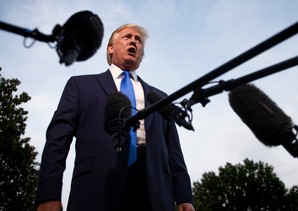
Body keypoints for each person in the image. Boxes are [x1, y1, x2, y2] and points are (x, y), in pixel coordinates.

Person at [35, 24, 195, 211]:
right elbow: (57, 140)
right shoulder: (80, 86)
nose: (134, 41)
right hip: (96, 190)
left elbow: (174, 151)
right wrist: (48, 194)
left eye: (138, 40)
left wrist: (184, 197)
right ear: (111, 48)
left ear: (142, 55)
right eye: (127, 37)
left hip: (155, 193)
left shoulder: (160, 97)